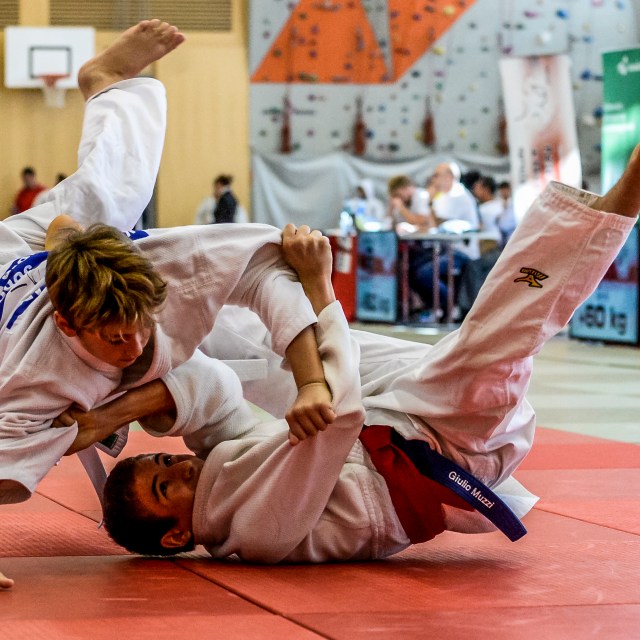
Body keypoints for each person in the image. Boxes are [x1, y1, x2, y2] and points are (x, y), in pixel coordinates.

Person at [100, 159, 639, 562]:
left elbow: (218, 391)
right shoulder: (257, 528)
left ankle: (135, 299)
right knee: (497, 334)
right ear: (177, 534)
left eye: (163, 460)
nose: (177, 467)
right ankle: (625, 197)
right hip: (446, 446)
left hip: (391, 415)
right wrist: (319, 288)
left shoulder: (220, 472)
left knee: (247, 338)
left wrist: (119, 405)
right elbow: (339, 419)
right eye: (165, 487)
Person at [0, 20, 333, 587]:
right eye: (113, 338)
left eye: (137, 327)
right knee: (90, 210)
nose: (132, 345)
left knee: (107, 199)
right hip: (15, 267)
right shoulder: (31, 381)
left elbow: (264, 269)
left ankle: (106, 81)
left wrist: (313, 383)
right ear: (69, 325)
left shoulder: (167, 268)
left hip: (64, 246)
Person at [412, 162, 480, 319]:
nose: (433, 180)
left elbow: (437, 222)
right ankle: (436, 307)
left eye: (436, 175)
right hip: (445, 248)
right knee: (412, 268)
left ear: (449, 176)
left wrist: (430, 201)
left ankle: (450, 304)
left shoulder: (458, 195)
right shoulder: (444, 196)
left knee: (425, 274)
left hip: (462, 251)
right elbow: (431, 223)